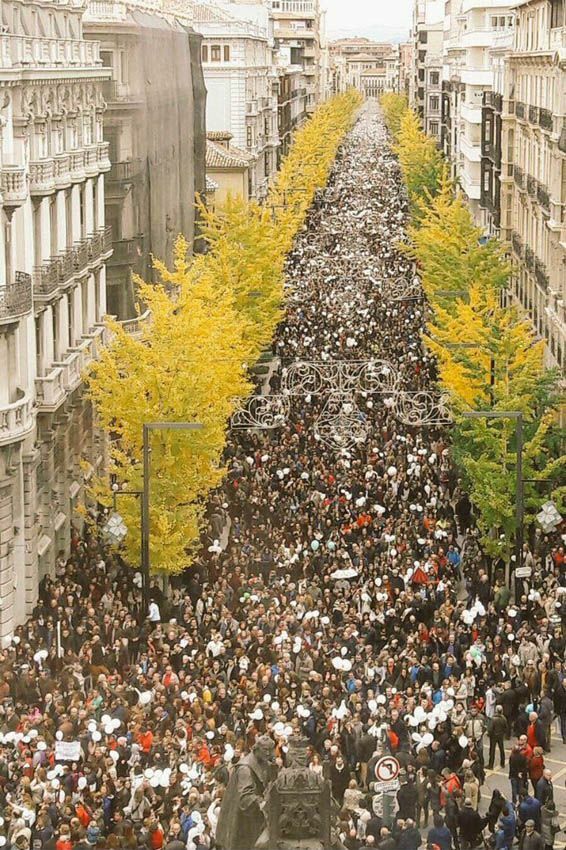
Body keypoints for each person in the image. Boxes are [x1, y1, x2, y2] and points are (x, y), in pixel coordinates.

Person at [215, 735, 276, 849]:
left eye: (270, 750)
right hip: (243, 818)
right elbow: (245, 796)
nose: (268, 753)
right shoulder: (245, 769)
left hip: (254, 815)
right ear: (256, 749)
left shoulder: (264, 762)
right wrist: (261, 802)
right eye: (265, 750)